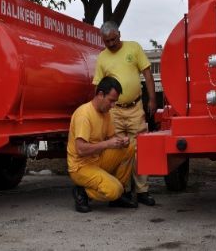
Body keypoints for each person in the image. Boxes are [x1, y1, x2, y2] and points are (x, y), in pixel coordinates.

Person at [92, 21, 156, 206]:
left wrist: (152, 99)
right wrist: (97, 109)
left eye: (113, 39)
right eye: (106, 41)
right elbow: (98, 86)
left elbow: (148, 75)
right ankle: (122, 191)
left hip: (136, 108)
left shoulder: (134, 48)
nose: (111, 44)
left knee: (139, 150)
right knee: (118, 150)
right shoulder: (102, 58)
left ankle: (142, 191)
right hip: (115, 112)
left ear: (119, 34)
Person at [67, 76, 137, 213]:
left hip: (97, 159)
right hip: (80, 167)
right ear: (100, 94)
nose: (112, 106)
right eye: (111, 101)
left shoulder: (106, 113)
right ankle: (83, 193)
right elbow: (80, 149)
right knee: (114, 190)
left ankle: (117, 197)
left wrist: (121, 141)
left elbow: (111, 138)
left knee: (129, 148)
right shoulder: (84, 114)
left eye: (114, 102)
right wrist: (107, 144)